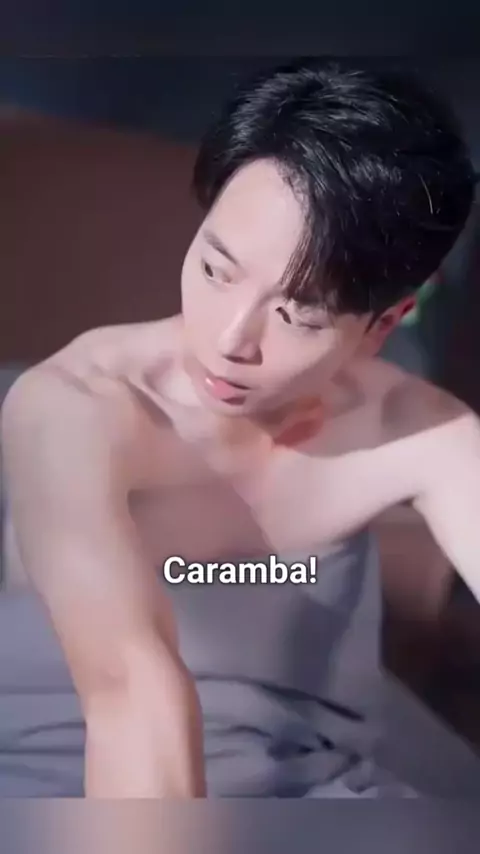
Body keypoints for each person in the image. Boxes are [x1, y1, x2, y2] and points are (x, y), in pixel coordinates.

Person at [1, 58, 479, 799]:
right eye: (217, 270)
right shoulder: (77, 409)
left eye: (296, 315)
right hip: (70, 775)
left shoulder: (415, 432)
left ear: (383, 323)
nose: (229, 339)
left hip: (317, 784)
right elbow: (133, 693)